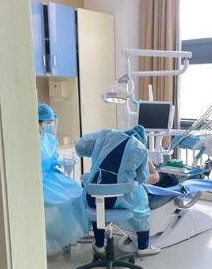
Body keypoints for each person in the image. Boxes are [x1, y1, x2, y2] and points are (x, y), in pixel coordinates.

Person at [75, 125, 161, 256]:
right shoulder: (140, 148)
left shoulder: (106, 135)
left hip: (93, 197)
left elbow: (81, 146)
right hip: (119, 200)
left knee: (99, 207)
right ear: (142, 140)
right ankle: (143, 247)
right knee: (141, 203)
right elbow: (142, 178)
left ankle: (99, 245)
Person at [38, 103, 89, 254]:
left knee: (79, 193)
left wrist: (58, 167)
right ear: (38, 122)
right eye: (47, 122)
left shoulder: (51, 139)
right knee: (63, 203)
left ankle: (69, 235)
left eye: (51, 122)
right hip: (41, 180)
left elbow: (53, 159)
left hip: (53, 175)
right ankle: (59, 238)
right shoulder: (30, 141)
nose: (50, 125)